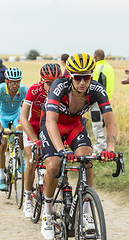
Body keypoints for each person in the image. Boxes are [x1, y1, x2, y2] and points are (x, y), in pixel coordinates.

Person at [39, 53, 117, 240]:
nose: (83, 82)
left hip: (75, 126)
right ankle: (48, 212)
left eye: (87, 77)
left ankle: (86, 210)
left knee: (87, 158)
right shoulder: (59, 85)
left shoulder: (96, 88)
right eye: (78, 77)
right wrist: (61, 150)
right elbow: (50, 121)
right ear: (70, 75)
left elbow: (110, 120)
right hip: (53, 125)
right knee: (53, 165)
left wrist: (111, 148)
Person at [20, 63, 62, 218]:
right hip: (33, 125)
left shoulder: (62, 91)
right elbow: (23, 117)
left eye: (55, 83)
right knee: (31, 160)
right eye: (49, 83)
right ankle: (27, 198)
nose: (52, 87)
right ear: (42, 80)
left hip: (49, 126)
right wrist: (34, 139)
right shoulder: (34, 90)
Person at [0, 67, 28, 191]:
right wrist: (1, 129)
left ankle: (21, 157)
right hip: (2, 116)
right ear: (7, 82)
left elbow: (29, 109)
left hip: (17, 114)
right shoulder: (0, 90)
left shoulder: (24, 90)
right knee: (3, 143)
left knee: (21, 133)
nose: (15, 84)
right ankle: (1, 176)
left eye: (17, 81)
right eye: (12, 82)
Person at [90, 49, 115, 155]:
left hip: (96, 102)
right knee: (105, 124)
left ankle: (100, 148)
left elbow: (92, 86)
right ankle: (103, 146)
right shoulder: (109, 67)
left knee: (97, 124)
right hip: (106, 100)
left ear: (95, 58)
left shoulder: (97, 68)